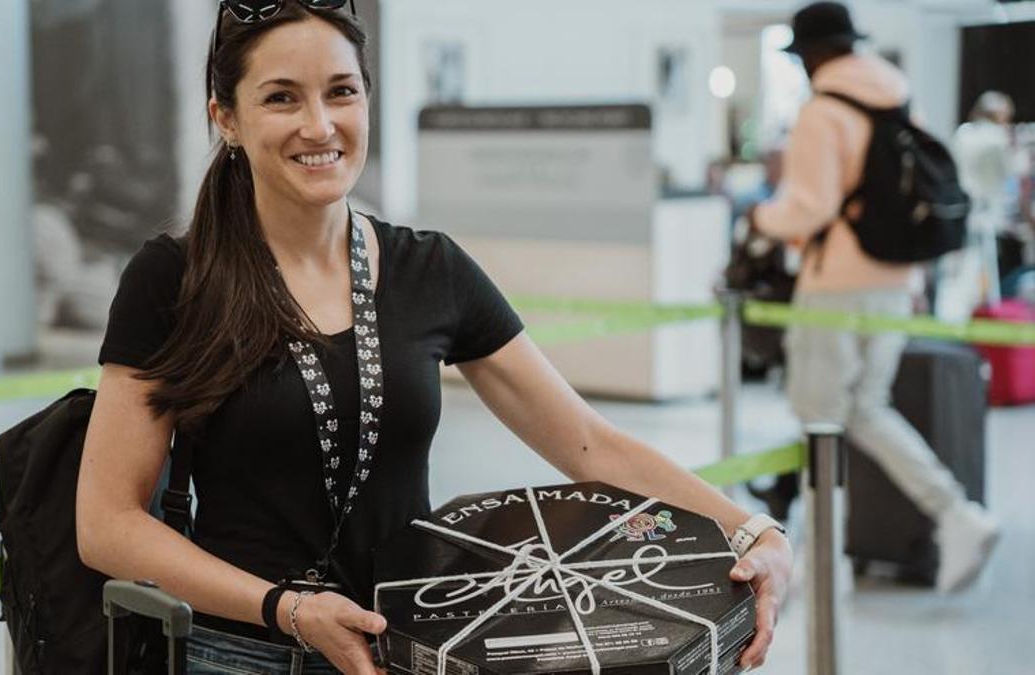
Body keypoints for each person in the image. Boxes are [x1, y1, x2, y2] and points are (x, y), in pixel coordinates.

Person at [76, 2, 792, 673]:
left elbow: (589, 442)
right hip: (243, 651)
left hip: (408, 648)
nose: (320, 125)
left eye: (342, 91)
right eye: (281, 97)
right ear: (225, 118)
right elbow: (106, 521)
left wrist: (751, 529)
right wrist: (287, 609)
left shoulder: (430, 269)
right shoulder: (175, 277)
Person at [748, 1, 999, 594]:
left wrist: (762, 214)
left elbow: (808, 208)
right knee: (865, 407)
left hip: (835, 284)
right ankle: (954, 512)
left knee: (820, 418)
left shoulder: (823, 113)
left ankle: (814, 561)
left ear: (813, 55)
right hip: (895, 280)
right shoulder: (896, 100)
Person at [939, 91, 1029, 319]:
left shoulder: (964, 133)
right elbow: (1016, 168)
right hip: (981, 218)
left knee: (958, 274)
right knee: (972, 274)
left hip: (958, 213)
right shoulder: (997, 137)